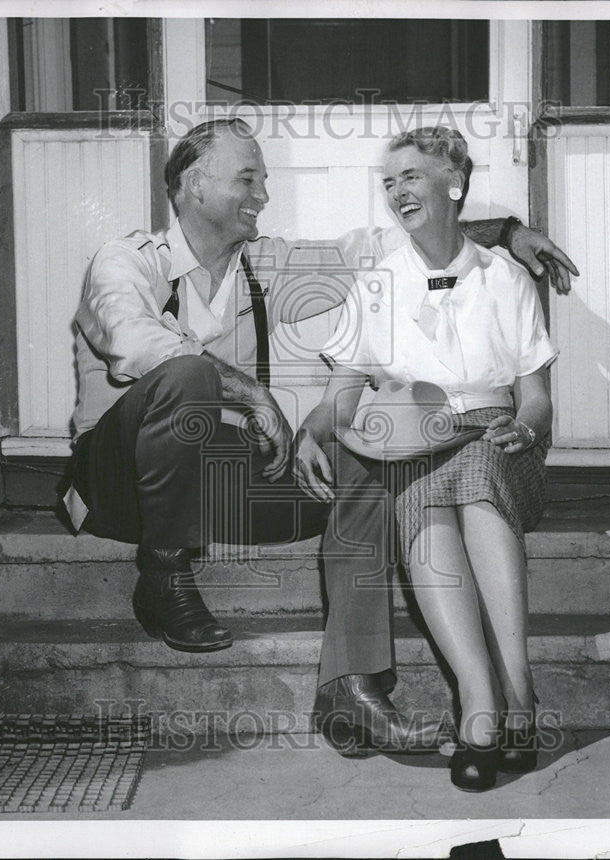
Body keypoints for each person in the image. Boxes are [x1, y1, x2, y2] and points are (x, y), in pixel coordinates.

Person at [60, 118, 576, 756]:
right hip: (119, 486)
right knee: (189, 374)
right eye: (248, 178)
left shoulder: (265, 264)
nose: (264, 195)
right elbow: (134, 345)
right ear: (194, 187)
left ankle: (349, 687)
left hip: (219, 486)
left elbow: (384, 244)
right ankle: (163, 573)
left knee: (363, 444)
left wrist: (505, 233)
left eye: (265, 181)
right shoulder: (127, 261)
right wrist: (250, 393)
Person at [296, 126, 557, 789]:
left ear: (454, 184)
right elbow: (344, 394)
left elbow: (535, 398)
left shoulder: (506, 279)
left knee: (474, 475)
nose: (397, 190)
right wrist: (311, 432)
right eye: (389, 182)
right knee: (422, 494)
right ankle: (485, 702)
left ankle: (515, 691)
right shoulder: (376, 282)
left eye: (412, 175)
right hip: (419, 438)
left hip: (501, 435)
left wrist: (526, 429)